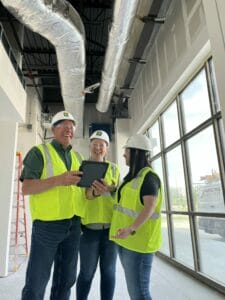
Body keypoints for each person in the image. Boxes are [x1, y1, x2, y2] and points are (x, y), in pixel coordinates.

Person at [20, 111, 84, 300]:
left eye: (71, 127)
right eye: (64, 126)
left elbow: (79, 191)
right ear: (53, 129)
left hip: (73, 225)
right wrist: (59, 180)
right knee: (37, 281)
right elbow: (26, 188)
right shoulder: (39, 152)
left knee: (66, 281)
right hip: (47, 226)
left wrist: (94, 191)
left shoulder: (78, 157)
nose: (69, 130)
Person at [110, 134, 162, 300]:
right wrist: (110, 189)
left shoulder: (149, 178)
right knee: (135, 290)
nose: (124, 154)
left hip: (138, 244)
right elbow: (126, 203)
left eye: (126, 151)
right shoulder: (133, 178)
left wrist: (131, 229)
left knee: (139, 292)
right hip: (126, 242)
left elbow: (149, 206)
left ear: (135, 152)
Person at [76, 130, 120, 300]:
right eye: (95, 144)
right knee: (86, 272)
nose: (98, 148)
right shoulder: (83, 168)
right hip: (89, 230)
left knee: (109, 272)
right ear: (90, 146)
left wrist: (111, 188)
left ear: (107, 149)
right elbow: (83, 196)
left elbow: (120, 195)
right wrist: (94, 193)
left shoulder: (115, 169)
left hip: (111, 230)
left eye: (102, 145)